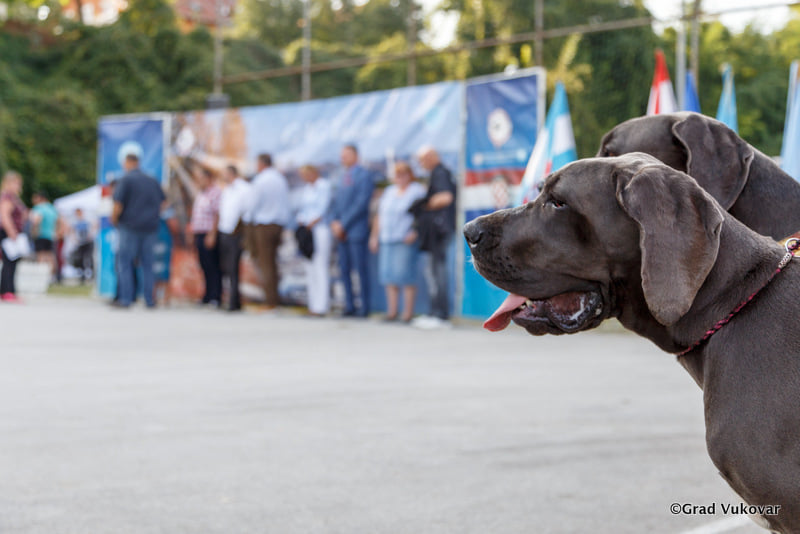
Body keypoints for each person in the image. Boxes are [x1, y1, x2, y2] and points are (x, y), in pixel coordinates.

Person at [369, 161, 426, 323]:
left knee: (406, 275)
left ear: (410, 175)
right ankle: (391, 312)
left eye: (403, 174)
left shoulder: (417, 191)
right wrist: (374, 236)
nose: (400, 178)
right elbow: (379, 215)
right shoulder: (389, 191)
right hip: (387, 238)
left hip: (405, 238)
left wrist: (415, 232)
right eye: (397, 175)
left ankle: (407, 313)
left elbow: (423, 214)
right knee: (388, 275)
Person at [111, 152, 165, 308]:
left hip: (129, 227)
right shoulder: (152, 180)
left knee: (125, 263)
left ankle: (126, 299)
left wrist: (115, 220)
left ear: (128, 162)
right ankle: (149, 300)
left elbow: (117, 205)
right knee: (148, 265)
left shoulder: (125, 180)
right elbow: (164, 203)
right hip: (150, 228)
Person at [413, 146, 457, 329]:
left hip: (439, 231)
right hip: (438, 231)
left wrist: (425, 204)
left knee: (437, 272)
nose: (420, 164)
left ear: (431, 157)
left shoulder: (440, 173)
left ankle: (440, 314)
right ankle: (435, 311)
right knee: (434, 272)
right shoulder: (438, 173)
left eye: (422, 160)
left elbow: (446, 198)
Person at [330, 144, 374, 318]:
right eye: (342, 155)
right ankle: (349, 305)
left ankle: (364, 307)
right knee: (344, 269)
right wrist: (334, 222)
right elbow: (334, 202)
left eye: (347, 155)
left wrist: (343, 224)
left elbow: (361, 203)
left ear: (356, 155)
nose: (343, 158)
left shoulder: (363, 175)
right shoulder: (339, 176)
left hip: (355, 230)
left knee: (360, 270)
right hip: (340, 233)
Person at [246, 153, 290, 310]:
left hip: (264, 225)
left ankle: (271, 301)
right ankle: (274, 298)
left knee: (266, 264)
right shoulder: (280, 180)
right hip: (278, 225)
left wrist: (247, 222)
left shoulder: (261, 180)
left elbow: (252, 204)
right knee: (273, 262)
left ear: (261, 164)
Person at [296, 164, 332, 317]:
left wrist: (310, 221)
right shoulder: (307, 189)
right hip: (307, 230)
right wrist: (302, 220)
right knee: (310, 266)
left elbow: (322, 209)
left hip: (319, 229)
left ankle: (322, 305)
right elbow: (302, 209)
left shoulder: (323, 186)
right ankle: (313, 304)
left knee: (320, 266)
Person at [217, 164, 251, 312]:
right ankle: (232, 299)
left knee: (233, 267)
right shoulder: (227, 189)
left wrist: (243, 233)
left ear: (231, 173)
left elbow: (247, 211)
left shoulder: (244, 189)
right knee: (227, 268)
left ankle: (234, 302)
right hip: (225, 231)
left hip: (236, 232)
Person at [190, 166, 222, 307]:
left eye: (201, 178)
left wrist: (212, 234)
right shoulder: (201, 194)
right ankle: (207, 295)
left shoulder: (215, 193)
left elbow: (217, 214)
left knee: (212, 266)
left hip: (209, 233)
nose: (199, 181)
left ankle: (215, 296)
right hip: (199, 232)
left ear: (209, 178)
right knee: (204, 265)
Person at [0, 171, 28, 302]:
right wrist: (11, 232)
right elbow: (4, 216)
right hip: (8, 232)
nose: (18, 186)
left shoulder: (13, 197)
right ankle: (7, 291)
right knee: (9, 263)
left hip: (13, 233)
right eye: (16, 183)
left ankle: (9, 290)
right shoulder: (7, 197)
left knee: (12, 262)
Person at [30, 191, 59, 282]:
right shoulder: (52, 208)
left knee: (41, 256)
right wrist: (57, 232)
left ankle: (40, 277)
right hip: (51, 235)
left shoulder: (38, 208)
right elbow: (60, 222)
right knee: (50, 256)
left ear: (40, 198)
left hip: (41, 234)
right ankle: (52, 277)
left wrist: (34, 231)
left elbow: (36, 220)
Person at [71, 208, 94, 283]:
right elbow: (73, 231)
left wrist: (89, 236)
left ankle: (91, 274)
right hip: (80, 243)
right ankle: (82, 275)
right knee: (80, 259)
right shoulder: (75, 222)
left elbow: (92, 228)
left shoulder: (86, 220)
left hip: (87, 242)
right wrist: (75, 240)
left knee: (89, 258)